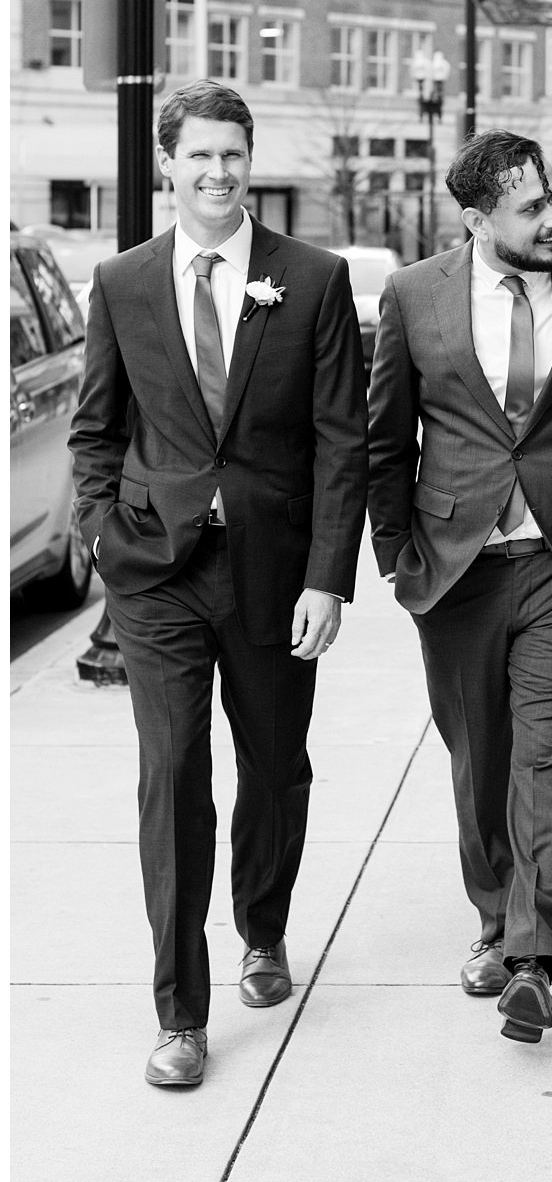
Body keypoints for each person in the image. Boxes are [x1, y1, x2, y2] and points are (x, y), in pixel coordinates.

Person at [69, 80, 368, 1088]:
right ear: (168, 164)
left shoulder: (313, 279)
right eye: (198, 154)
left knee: (276, 768)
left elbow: (342, 441)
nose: (217, 171)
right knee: (172, 778)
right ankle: (180, 1013)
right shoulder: (122, 282)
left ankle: (262, 925)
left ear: (252, 159)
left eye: (233, 153)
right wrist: (106, 533)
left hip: (275, 574)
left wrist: (329, 577)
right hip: (158, 575)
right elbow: (95, 430)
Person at [367, 130, 552, 1044]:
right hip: (457, 569)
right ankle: (493, 912)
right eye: (532, 207)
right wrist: (400, 556)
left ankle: (530, 955)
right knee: (479, 759)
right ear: (478, 219)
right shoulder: (413, 295)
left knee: (546, 754)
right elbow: (384, 438)